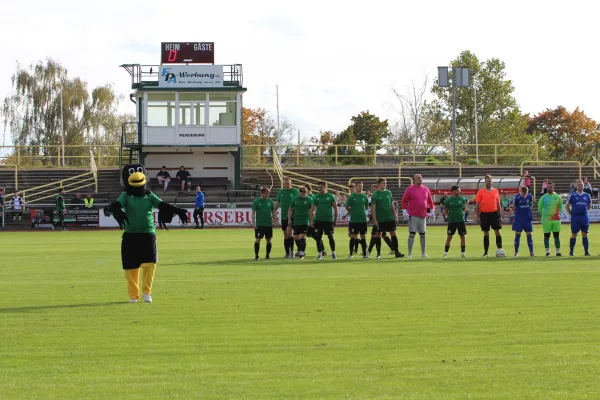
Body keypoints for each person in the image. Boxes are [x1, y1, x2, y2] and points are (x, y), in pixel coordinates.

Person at [104, 164, 188, 303]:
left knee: (150, 263)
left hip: (148, 234)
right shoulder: (126, 195)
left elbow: (161, 204)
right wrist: (109, 208)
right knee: (130, 266)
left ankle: (146, 292)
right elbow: (117, 204)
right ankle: (133, 295)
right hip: (130, 234)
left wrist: (176, 210)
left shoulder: (149, 195)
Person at [401, 174, 434, 258]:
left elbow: (430, 200)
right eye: (418, 178)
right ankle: (410, 253)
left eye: (421, 178)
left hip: (423, 215)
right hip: (413, 215)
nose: (420, 179)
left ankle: (423, 253)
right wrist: (405, 211)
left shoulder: (426, 189)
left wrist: (432, 210)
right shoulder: (410, 189)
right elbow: (404, 200)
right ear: (414, 180)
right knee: (412, 234)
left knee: (423, 234)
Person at [370, 178, 404, 259]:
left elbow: (391, 205)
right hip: (380, 219)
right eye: (383, 183)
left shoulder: (389, 192)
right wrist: (374, 220)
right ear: (378, 184)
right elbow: (373, 209)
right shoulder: (375, 195)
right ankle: (378, 254)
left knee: (393, 233)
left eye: (385, 183)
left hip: (389, 217)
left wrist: (395, 215)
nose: (385, 184)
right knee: (378, 234)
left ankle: (396, 252)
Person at [475, 175, 505, 257]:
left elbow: (498, 203)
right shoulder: (481, 191)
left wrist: (500, 215)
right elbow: (477, 204)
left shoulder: (495, 191)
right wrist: (478, 216)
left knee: (497, 231)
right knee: (486, 232)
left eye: (490, 181)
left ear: (492, 182)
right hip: (484, 214)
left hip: (494, 213)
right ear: (485, 182)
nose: (489, 182)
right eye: (487, 181)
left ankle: (500, 250)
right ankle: (486, 252)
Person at [311, 181, 338, 260]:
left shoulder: (330, 196)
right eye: (318, 187)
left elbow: (336, 208)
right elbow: (312, 210)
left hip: (328, 220)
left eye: (321, 187)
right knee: (318, 237)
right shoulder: (315, 197)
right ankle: (320, 254)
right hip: (318, 220)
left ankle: (333, 252)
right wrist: (311, 221)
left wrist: (335, 219)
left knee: (330, 236)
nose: (319, 189)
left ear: (325, 187)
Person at [275, 178, 300, 258]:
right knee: (285, 235)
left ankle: (292, 251)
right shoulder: (281, 191)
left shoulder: (295, 191)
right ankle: (287, 253)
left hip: (293, 216)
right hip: (284, 216)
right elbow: (277, 203)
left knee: (290, 234)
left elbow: (299, 201)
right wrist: (273, 211)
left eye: (288, 184)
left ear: (291, 183)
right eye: (285, 184)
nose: (286, 185)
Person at [367, 183, 395, 255]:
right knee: (383, 235)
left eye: (373, 189)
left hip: (379, 218)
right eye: (372, 190)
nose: (372, 191)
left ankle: (369, 251)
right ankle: (393, 248)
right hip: (377, 217)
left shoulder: (378, 195)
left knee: (375, 234)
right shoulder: (373, 196)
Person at [288, 186, 314, 259]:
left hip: (305, 221)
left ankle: (302, 253)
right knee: (296, 237)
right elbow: (290, 209)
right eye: (301, 194)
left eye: (304, 194)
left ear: (306, 193)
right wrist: (289, 220)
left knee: (302, 236)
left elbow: (312, 211)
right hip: (296, 221)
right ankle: (301, 249)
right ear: (299, 193)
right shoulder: (294, 199)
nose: (303, 196)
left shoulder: (309, 199)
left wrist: (311, 221)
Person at [566, 180, 591, 256]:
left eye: (582, 185)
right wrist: (570, 213)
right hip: (575, 217)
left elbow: (589, 206)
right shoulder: (572, 195)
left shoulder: (587, 195)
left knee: (584, 234)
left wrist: (584, 211)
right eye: (579, 185)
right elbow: (567, 206)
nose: (580, 186)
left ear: (583, 186)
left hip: (584, 217)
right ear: (576, 186)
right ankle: (571, 251)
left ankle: (586, 251)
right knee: (574, 234)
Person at [538, 181, 563, 257]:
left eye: (550, 187)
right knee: (546, 235)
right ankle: (547, 252)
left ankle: (558, 252)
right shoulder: (543, 197)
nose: (549, 188)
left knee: (556, 235)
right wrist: (545, 215)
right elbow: (540, 208)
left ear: (553, 187)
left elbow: (560, 207)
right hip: (546, 220)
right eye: (548, 187)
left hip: (556, 219)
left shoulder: (558, 197)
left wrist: (556, 214)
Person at [252, 187, 277, 261]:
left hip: (268, 224)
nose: (267, 194)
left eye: (268, 193)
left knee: (269, 240)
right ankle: (256, 255)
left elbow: (273, 211)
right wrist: (254, 224)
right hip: (260, 224)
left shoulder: (270, 201)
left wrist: (275, 220)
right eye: (266, 193)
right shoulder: (256, 201)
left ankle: (267, 255)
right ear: (262, 193)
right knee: (258, 239)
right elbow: (253, 213)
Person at [345, 181, 369, 259]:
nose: (361, 188)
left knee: (363, 236)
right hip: (354, 220)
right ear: (355, 187)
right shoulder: (351, 196)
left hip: (363, 220)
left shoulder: (364, 197)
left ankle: (365, 254)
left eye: (361, 186)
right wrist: (350, 212)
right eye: (359, 186)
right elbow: (347, 205)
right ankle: (351, 254)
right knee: (352, 236)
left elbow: (366, 207)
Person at [443, 185, 468, 258]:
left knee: (462, 236)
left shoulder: (462, 199)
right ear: (453, 191)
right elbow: (445, 210)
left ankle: (463, 253)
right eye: (458, 190)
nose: (460, 192)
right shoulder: (448, 200)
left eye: (459, 190)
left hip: (461, 220)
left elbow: (464, 208)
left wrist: (462, 213)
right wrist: (448, 216)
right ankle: (445, 253)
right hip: (452, 221)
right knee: (449, 237)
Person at [512, 186, 535, 257]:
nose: (524, 194)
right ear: (520, 191)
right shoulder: (516, 197)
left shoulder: (530, 197)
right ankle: (516, 252)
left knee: (529, 234)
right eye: (523, 193)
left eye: (526, 193)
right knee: (517, 234)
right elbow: (513, 206)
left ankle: (531, 252)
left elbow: (531, 205)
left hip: (527, 218)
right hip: (519, 218)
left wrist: (528, 213)